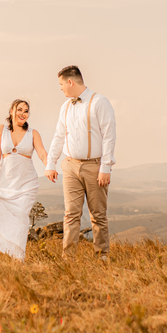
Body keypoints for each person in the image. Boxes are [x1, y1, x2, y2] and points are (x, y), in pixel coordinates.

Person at [44, 65, 116, 260]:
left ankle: (102, 257)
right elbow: (59, 136)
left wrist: (106, 167)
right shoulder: (65, 107)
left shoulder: (100, 102)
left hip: (95, 166)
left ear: (70, 81)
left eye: (61, 84)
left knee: (98, 215)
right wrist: (51, 163)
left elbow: (109, 136)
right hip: (70, 165)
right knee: (71, 214)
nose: (60, 89)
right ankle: (68, 259)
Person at [0, 99, 49, 260]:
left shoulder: (33, 133)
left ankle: (18, 257)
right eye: (19, 109)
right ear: (11, 111)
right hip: (6, 182)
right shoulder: (1, 130)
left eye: (26, 111)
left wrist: (49, 167)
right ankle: (5, 256)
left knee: (20, 218)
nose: (23, 114)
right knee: (4, 218)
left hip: (27, 184)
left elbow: (42, 153)